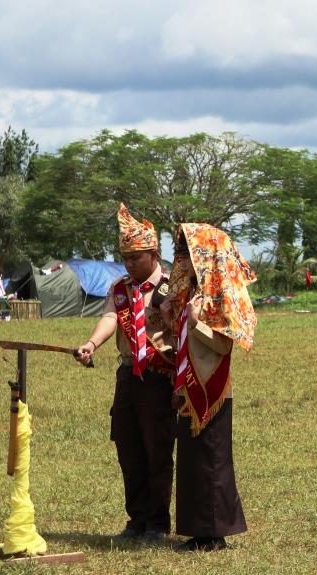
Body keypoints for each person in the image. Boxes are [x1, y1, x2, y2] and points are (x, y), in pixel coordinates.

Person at [76, 204, 177, 541]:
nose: (129, 264)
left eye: (136, 258)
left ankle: (157, 524)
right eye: (125, 258)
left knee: (157, 450)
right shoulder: (121, 289)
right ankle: (136, 520)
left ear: (153, 254)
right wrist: (92, 343)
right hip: (127, 377)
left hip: (160, 378)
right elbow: (109, 318)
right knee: (129, 449)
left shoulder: (170, 286)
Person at [162, 223, 257, 552]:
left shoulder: (220, 294)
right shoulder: (190, 293)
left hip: (212, 388)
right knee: (191, 462)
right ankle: (196, 529)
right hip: (189, 386)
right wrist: (170, 318)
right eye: (181, 252)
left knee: (211, 461)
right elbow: (183, 340)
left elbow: (223, 346)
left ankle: (214, 534)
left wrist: (194, 323)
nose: (182, 259)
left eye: (188, 252)